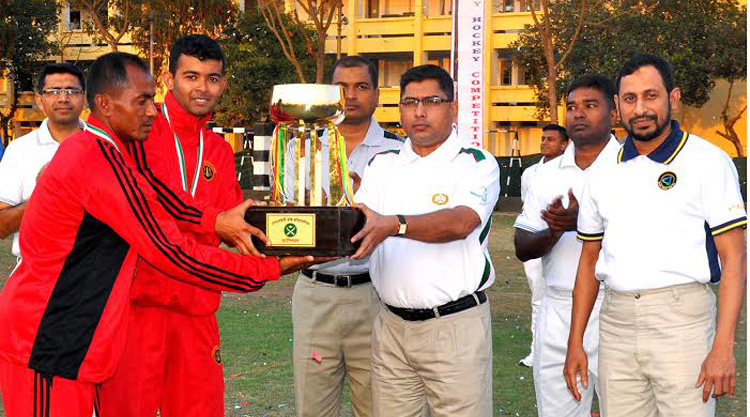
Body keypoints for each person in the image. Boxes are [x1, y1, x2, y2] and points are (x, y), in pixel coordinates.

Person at [0, 52, 316, 417]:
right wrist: (268, 270)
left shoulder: (114, 155)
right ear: (104, 104)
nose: (152, 110)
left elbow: (163, 197)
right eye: (142, 101)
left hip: (75, 338)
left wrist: (217, 221)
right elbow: (171, 250)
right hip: (47, 339)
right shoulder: (93, 159)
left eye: (152, 98)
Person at [564, 53, 746, 417]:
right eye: (630, 99)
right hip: (615, 321)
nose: (640, 108)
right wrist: (575, 343)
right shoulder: (602, 173)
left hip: (682, 320)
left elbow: (735, 259)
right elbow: (588, 264)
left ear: (673, 98)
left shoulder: (708, 161)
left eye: (651, 96)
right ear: (617, 106)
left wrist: (723, 346)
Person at [95, 34, 266, 417]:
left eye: (212, 78)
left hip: (196, 308)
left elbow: (235, 224)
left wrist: (299, 232)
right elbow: (146, 201)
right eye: (191, 76)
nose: (202, 87)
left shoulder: (219, 151)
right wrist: (213, 221)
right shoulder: (137, 130)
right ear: (168, 79)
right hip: (135, 308)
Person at [351, 64, 500, 417]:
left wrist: (395, 225)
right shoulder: (383, 164)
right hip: (390, 326)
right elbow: (359, 224)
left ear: (453, 107)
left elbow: (461, 222)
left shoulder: (474, 163)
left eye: (431, 101)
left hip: (453, 328)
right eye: (409, 102)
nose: (419, 112)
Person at [291, 56, 403, 417]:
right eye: (341, 88)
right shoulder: (302, 146)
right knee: (314, 406)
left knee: (377, 406)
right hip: (315, 292)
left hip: (375, 294)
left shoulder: (400, 153)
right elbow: (292, 212)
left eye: (361, 86)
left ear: (377, 96)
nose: (350, 95)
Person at [514, 75, 619, 416]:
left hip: (616, 306)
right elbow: (521, 246)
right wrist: (555, 230)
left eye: (591, 106)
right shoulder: (546, 175)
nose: (579, 114)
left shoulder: (632, 167)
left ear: (614, 113)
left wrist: (584, 223)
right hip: (557, 306)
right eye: (572, 107)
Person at [0, 63, 87, 259]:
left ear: (85, 98)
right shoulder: (20, 150)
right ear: (40, 100)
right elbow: (2, 226)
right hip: (36, 271)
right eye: (54, 91)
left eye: (72, 90)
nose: (63, 98)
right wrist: (44, 196)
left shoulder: (105, 146)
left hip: (95, 274)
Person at [518, 123, 568, 367]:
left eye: (551, 139)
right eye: (543, 138)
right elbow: (527, 208)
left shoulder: (574, 172)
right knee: (538, 298)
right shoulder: (530, 173)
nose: (544, 143)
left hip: (566, 244)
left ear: (564, 145)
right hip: (535, 242)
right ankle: (536, 350)